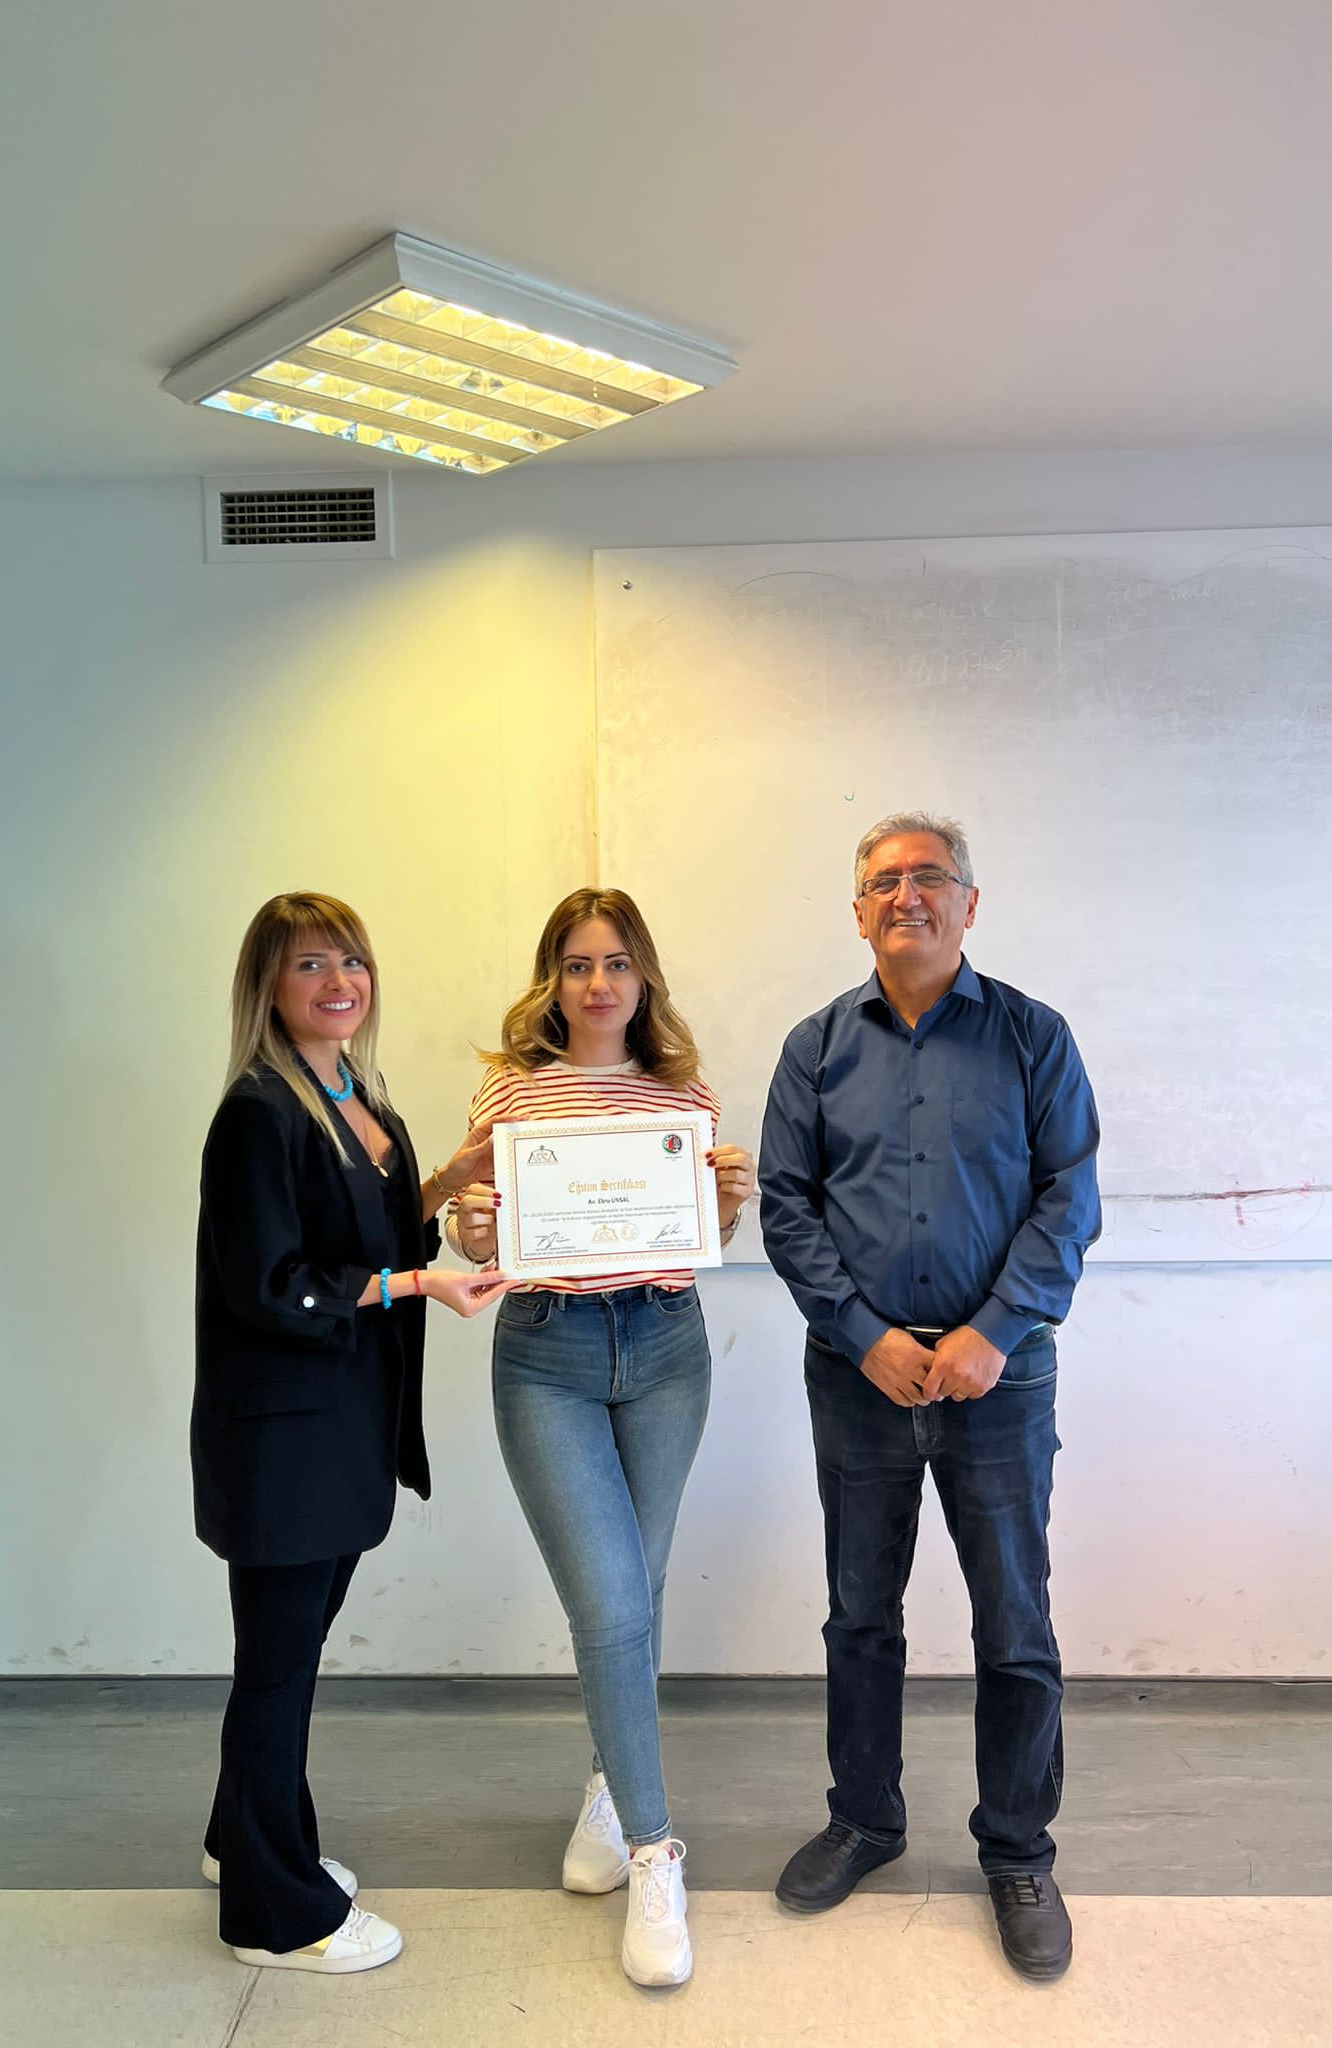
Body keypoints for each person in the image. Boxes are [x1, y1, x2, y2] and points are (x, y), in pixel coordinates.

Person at [758, 814, 1100, 1982]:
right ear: (858, 910)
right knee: (861, 1612)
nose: (907, 894)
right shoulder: (813, 1048)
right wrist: (862, 1336)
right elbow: (787, 1206)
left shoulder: (1033, 1037)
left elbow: (1069, 1196)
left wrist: (992, 1331)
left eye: (929, 876)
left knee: (1014, 1622)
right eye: (883, 881)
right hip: (860, 1380)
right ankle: (865, 1817)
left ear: (969, 902)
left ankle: (1018, 1850)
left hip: (999, 1379)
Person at [192, 891, 512, 1974]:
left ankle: (240, 1838)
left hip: (343, 1428)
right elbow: (273, 1285)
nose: (339, 983)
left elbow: (366, 1234)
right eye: (309, 965)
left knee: (286, 1656)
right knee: (278, 1666)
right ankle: (276, 1915)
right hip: (282, 1440)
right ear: (267, 986)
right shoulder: (259, 1112)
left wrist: (446, 1182)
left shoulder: (359, 1097)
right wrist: (421, 1281)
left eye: (352, 961)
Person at [450, 887, 756, 1988]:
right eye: (577, 963)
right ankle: (655, 1850)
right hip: (549, 1353)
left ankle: (604, 1787)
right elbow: (474, 1228)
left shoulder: (686, 1093)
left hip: (667, 1347)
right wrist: (468, 1223)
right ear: (553, 978)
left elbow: (703, 1237)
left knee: (640, 1581)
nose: (598, 983)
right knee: (613, 1600)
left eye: (617, 962)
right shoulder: (511, 1091)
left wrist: (729, 1199)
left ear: (643, 977)